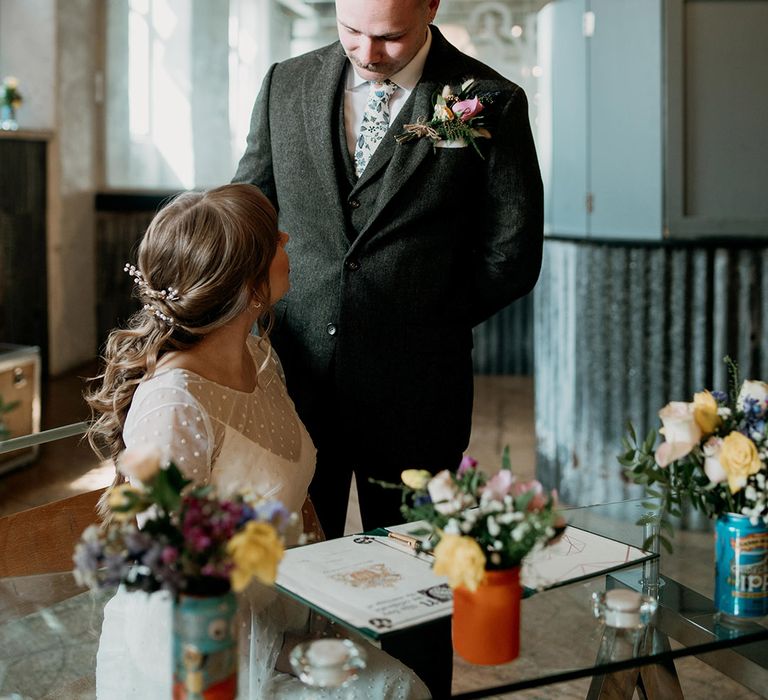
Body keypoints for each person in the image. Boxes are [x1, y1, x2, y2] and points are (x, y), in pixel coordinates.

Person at [86, 184, 430, 699]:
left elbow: (294, 502)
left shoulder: (261, 355)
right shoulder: (173, 406)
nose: (287, 236)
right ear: (246, 287)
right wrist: (292, 652)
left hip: (280, 609)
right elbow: (182, 583)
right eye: (272, 238)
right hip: (204, 652)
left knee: (399, 684)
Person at [233, 0, 544, 541]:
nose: (368, 53)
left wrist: (429, 316)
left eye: (390, 37)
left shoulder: (490, 100)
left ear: (431, 6)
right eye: (351, 30)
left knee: (414, 578)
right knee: (296, 567)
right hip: (295, 380)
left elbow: (511, 253)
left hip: (418, 390)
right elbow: (250, 211)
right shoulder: (286, 83)